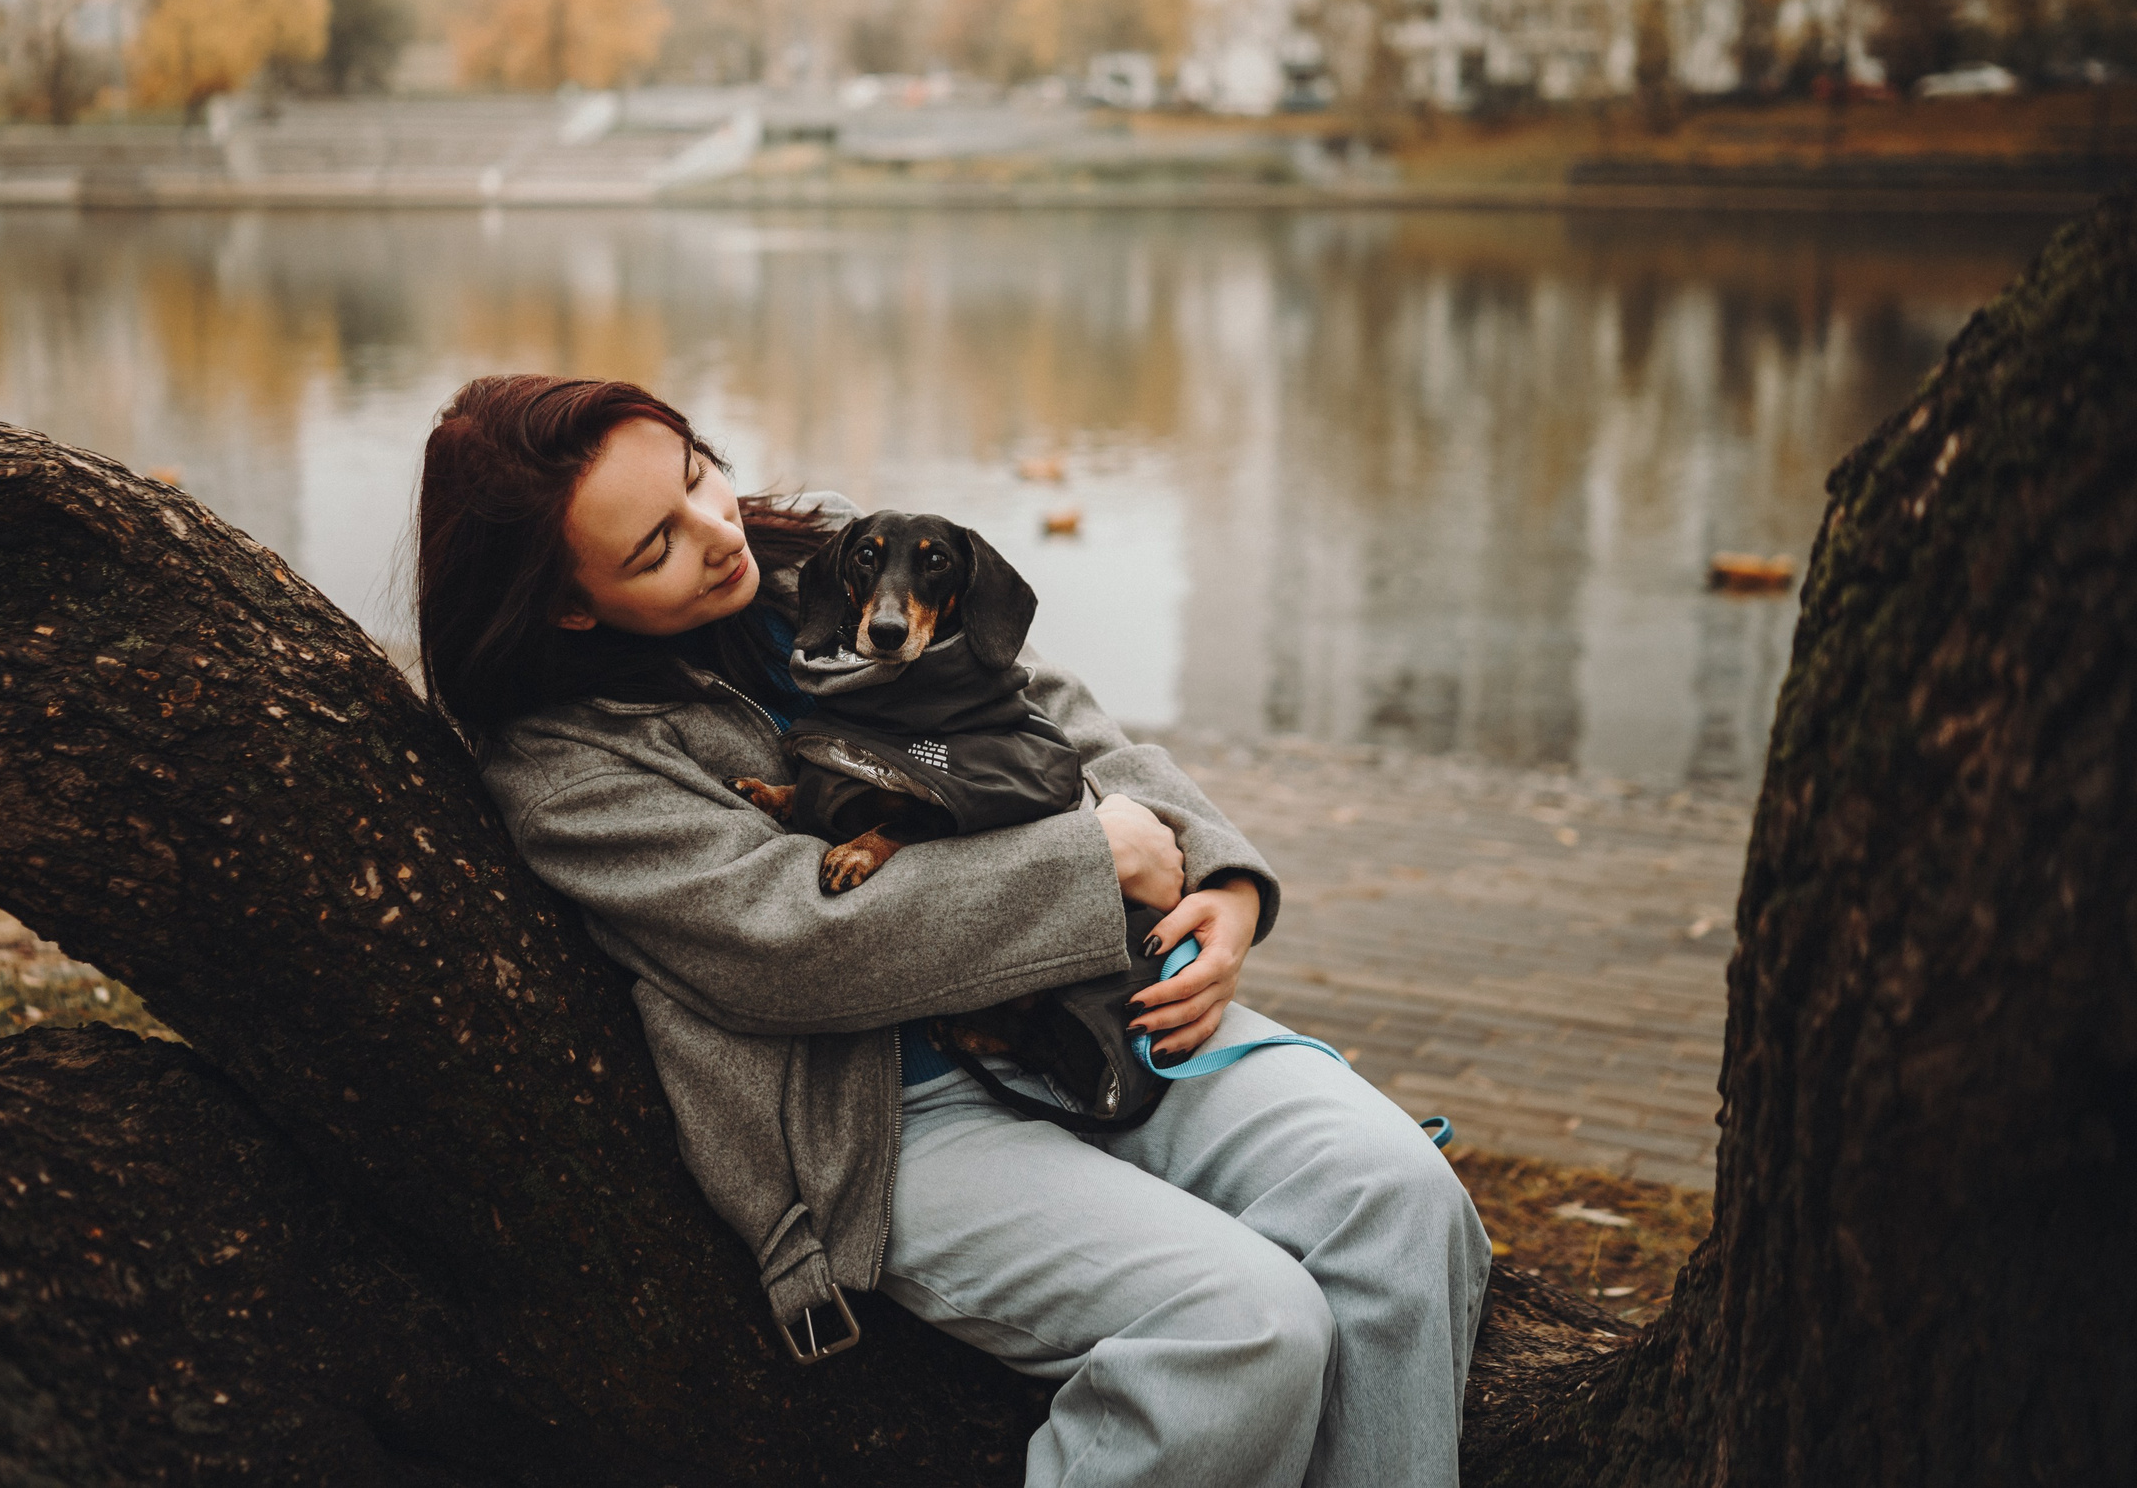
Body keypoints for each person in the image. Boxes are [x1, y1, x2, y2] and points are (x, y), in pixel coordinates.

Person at [414, 374, 1489, 1488]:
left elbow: (1054, 719)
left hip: (1096, 1010)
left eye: (698, 476)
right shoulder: (565, 765)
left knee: (1401, 1201)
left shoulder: (839, 554)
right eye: (656, 547)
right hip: (882, 1115)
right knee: (1243, 1326)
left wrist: (1216, 868)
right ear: (569, 605)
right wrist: (1090, 867)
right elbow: (786, 941)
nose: (719, 532)